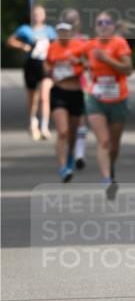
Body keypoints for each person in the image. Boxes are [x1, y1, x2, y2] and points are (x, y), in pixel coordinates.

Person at [81, 11, 132, 197]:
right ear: (95, 26)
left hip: (118, 99)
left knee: (114, 145)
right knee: (103, 140)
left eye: (107, 22)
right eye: (99, 22)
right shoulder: (89, 46)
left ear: (113, 26)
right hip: (96, 98)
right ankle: (107, 180)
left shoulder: (119, 44)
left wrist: (107, 59)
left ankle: (111, 168)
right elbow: (81, 62)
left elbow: (128, 69)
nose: (103, 25)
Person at [6, 4, 57, 140]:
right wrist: (23, 46)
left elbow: (56, 45)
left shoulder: (50, 30)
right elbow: (10, 40)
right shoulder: (25, 29)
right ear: (31, 15)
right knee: (32, 96)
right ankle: (32, 121)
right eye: (35, 14)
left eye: (40, 13)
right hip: (31, 65)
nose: (37, 16)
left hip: (45, 65)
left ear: (44, 16)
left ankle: (44, 126)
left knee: (45, 96)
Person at [44, 22, 86, 182]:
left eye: (66, 31)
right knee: (62, 131)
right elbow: (46, 64)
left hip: (75, 92)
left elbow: (89, 64)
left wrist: (78, 62)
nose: (63, 34)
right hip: (59, 91)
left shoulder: (79, 47)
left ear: (71, 33)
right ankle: (63, 168)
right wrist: (47, 70)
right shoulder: (52, 47)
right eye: (60, 31)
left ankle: (70, 157)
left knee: (72, 133)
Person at [60, 7, 89, 169]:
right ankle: (69, 150)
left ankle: (79, 154)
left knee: (80, 118)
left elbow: (90, 62)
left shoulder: (84, 40)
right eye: (69, 20)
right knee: (65, 121)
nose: (72, 23)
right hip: (63, 84)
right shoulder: (59, 41)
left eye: (74, 20)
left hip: (81, 82)